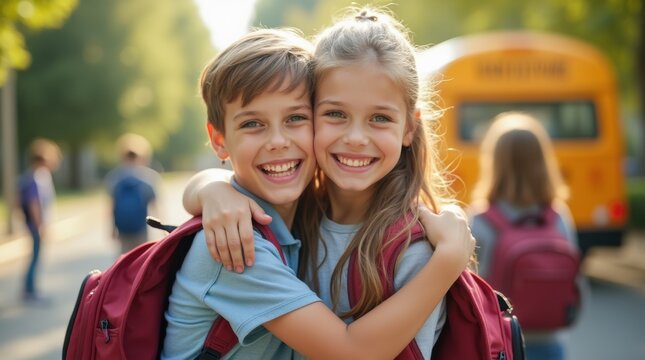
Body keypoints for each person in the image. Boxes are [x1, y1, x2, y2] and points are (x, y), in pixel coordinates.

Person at [163, 25, 474, 360]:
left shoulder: (401, 248)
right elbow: (349, 352)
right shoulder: (235, 244)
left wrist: (211, 187)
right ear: (219, 140)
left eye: (295, 117)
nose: (279, 141)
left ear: (409, 128)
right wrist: (449, 262)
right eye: (336, 114)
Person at [468, 111, 582, 360]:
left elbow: (471, 290)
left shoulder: (481, 220)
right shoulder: (557, 216)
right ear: (543, 160)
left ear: (494, 161)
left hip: (499, 341)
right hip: (551, 342)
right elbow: (578, 284)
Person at [18, 138, 61, 304]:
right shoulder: (37, 178)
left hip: (34, 224)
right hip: (36, 225)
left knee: (35, 256)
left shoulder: (31, 176)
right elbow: (34, 204)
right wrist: (40, 226)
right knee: (36, 257)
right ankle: (30, 290)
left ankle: (29, 288)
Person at [105, 133, 160, 254]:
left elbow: (111, 205)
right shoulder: (148, 178)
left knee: (124, 258)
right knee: (141, 257)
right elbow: (155, 206)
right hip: (141, 228)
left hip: (123, 229)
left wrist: (111, 228)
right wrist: (161, 228)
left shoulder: (114, 178)